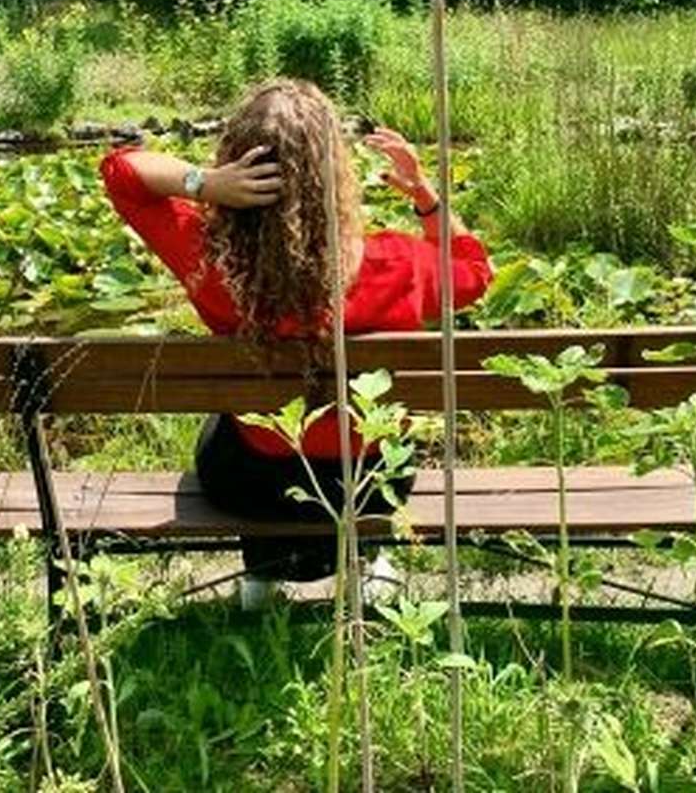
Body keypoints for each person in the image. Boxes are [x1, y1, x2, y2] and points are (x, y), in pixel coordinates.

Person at [100, 78, 492, 605]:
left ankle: (262, 579)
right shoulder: (400, 264)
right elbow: (475, 270)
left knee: (238, 429)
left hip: (253, 488)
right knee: (357, 436)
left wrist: (205, 183)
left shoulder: (210, 261)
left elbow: (121, 170)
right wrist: (423, 194)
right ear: (332, 176)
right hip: (371, 487)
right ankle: (368, 563)